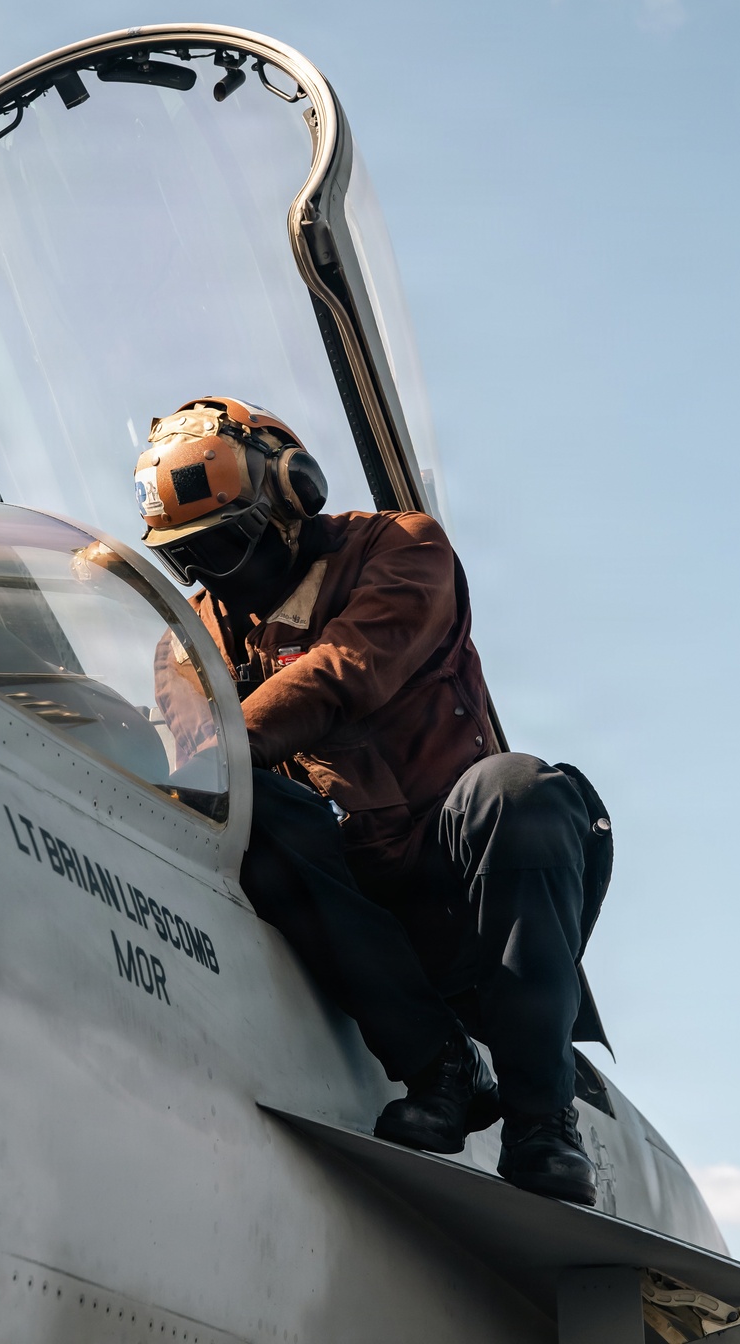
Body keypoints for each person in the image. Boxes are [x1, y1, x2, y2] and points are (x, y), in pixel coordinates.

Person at [137, 395, 613, 1206]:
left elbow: (343, 671)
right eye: (193, 559)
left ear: (292, 497)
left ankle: (542, 1120)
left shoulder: (405, 550)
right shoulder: (192, 641)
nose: (219, 575)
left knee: (520, 791)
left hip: (469, 887)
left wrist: (226, 746)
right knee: (247, 808)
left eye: (229, 544)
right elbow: (198, 769)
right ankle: (438, 1069)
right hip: (347, 909)